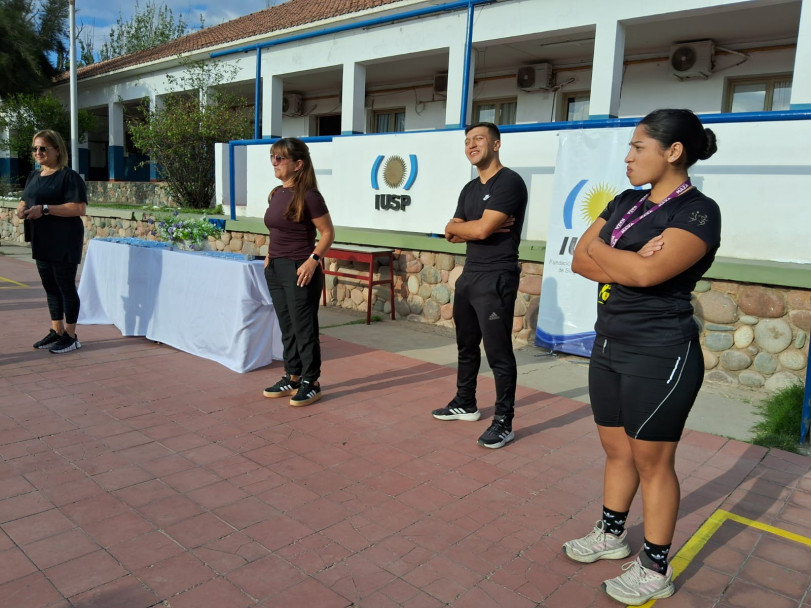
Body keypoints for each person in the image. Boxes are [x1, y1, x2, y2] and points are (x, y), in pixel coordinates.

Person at [564, 109, 720, 605]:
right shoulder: (627, 200)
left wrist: (617, 259)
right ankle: (612, 533)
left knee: (653, 461)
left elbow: (647, 276)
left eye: (638, 147)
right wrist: (628, 260)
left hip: (661, 351)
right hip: (609, 342)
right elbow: (578, 257)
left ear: (673, 152)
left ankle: (655, 565)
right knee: (616, 451)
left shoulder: (698, 211)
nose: (628, 157)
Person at [431, 122, 528, 448]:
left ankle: (504, 421)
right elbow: (450, 231)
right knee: (466, 344)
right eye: (468, 141)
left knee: (498, 353)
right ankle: (465, 402)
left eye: (479, 140)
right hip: (470, 274)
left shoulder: (510, 182)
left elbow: (481, 230)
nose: (472, 145)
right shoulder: (470, 189)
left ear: (496, 144)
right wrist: (473, 227)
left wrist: (475, 228)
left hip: (497, 276)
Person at [262, 138, 335, 406]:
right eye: (272, 157)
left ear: (298, 164)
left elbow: (328, 233)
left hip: (300, 269)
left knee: (304, 328)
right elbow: (277, 229)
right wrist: (270, 255)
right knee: (287, 326)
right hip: (277, 268)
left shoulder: (310, 196)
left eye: (280, 158)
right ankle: (292, 376)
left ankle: (311, 381)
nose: (274, 162)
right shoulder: (276, 193)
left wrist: (312, 260)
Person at [16, 129, 88, 354]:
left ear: (57, 150)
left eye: (43, 148)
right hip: (41, 240)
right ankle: (56, 331)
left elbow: (79, 208)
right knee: (50, 287)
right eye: (35, 148)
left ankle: (71, 335)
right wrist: (21, 207)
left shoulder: (69, 176)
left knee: (65, 287)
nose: (38, 152)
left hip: (64, 240)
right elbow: (25, 198)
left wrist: (45, 209)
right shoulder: (34, 176)